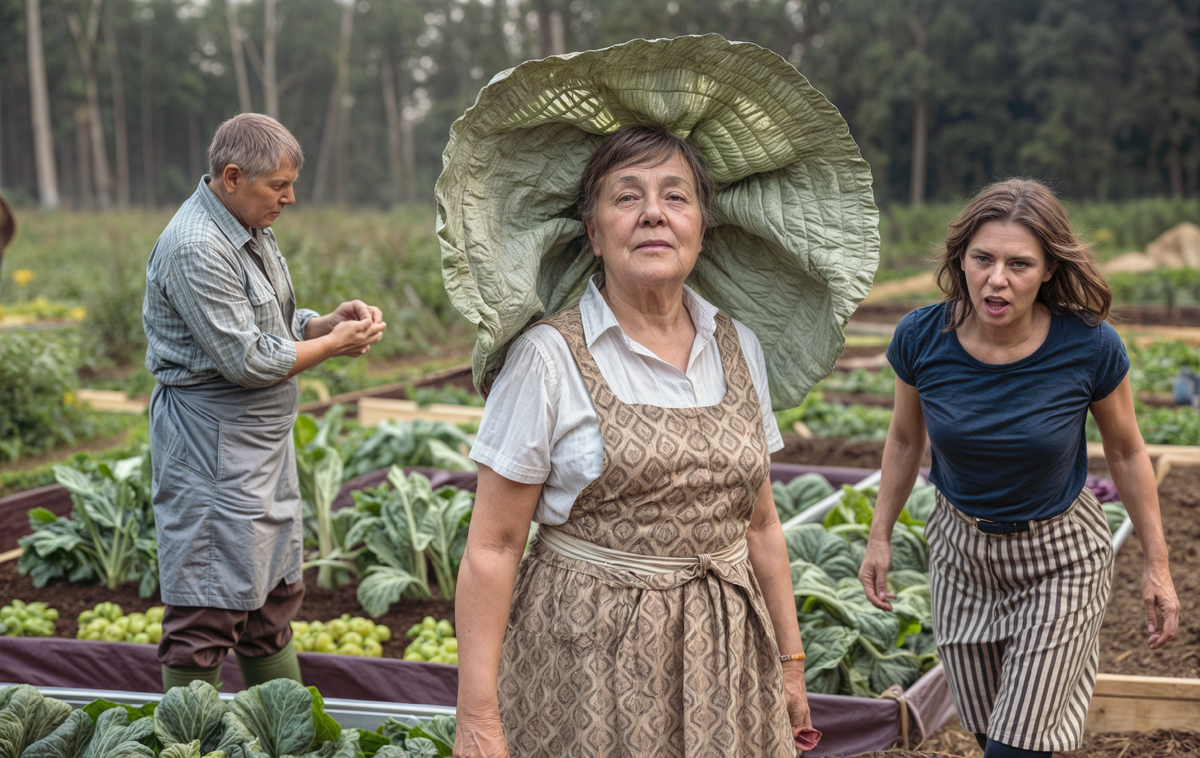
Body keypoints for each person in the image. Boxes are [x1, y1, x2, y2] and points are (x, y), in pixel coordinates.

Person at [439, 37, 879, 757]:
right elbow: (492, 548)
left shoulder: (738, 346)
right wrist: (478, 715)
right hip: (584, 667)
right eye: (627, 197)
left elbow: (761, 526)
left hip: (729, 661)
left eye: (675, 196)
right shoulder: (549, 358)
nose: (653, 213)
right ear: (593, 230)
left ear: (704, 227)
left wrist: (791, 664)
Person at [859, 178, 1180, 758]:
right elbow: (906, 440)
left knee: (1014, 749)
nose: (996, 279)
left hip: (1060, 558)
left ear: (1049, 270)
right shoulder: (922, 337)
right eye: (982, 259)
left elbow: (1129, 452)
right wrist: (878, 534)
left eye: (1019, 264)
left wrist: (1157, 562)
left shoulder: (1089, 346)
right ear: (961, 259)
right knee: (989, 737)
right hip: (961, 555)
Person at [142, 113, 385, 691]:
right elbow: (246, 360)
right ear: (232, 177)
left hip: (259, 447)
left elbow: (270, 325)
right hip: (212, 447)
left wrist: (322, 323)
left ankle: (282, 735)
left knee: (272, 601)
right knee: (208, 606)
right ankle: (188, 743)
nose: (290, 198)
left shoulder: (250, 227)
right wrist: (329, 346)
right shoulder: (196, 246)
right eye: (279, 186)